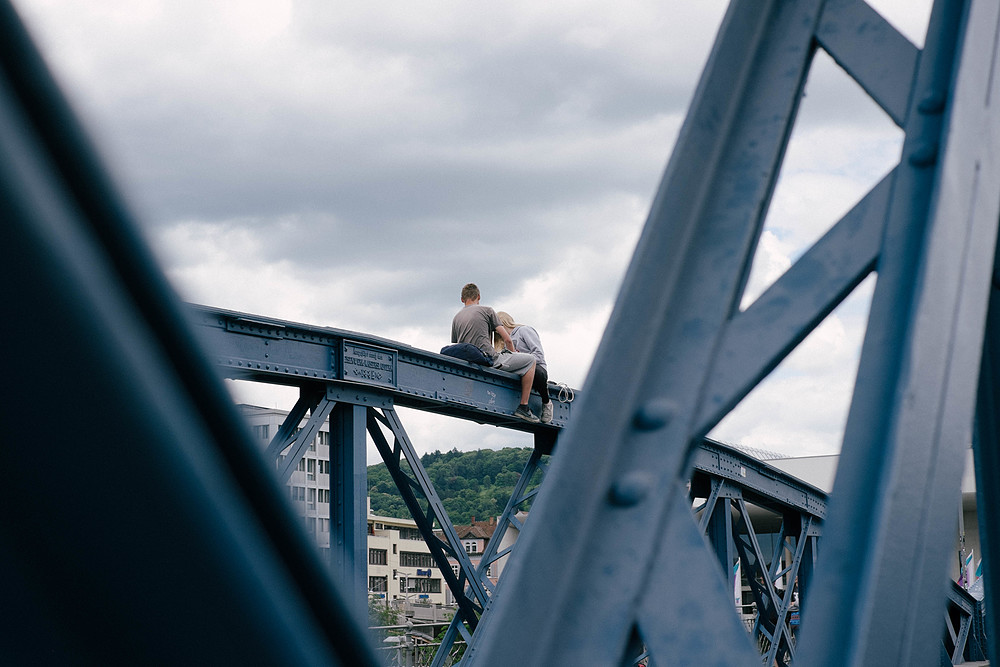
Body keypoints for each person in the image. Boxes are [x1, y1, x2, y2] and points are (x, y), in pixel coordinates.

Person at [451, 283, 539, 423]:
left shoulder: (456, 318)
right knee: (530, 360)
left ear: (462, 300)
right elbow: (507, 340)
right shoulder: (487, 310)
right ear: (479, 297)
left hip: (469, 362)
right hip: (489, 359)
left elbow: (458, 344)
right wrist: (513, 355)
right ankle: (524, 407)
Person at [495, 311, 553, 424]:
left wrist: (521, 358)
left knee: (538, 373)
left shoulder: (524, 331)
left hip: (536, 370)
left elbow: (539, 355)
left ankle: (546, 402)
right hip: (518, 373)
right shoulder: (502, 343)